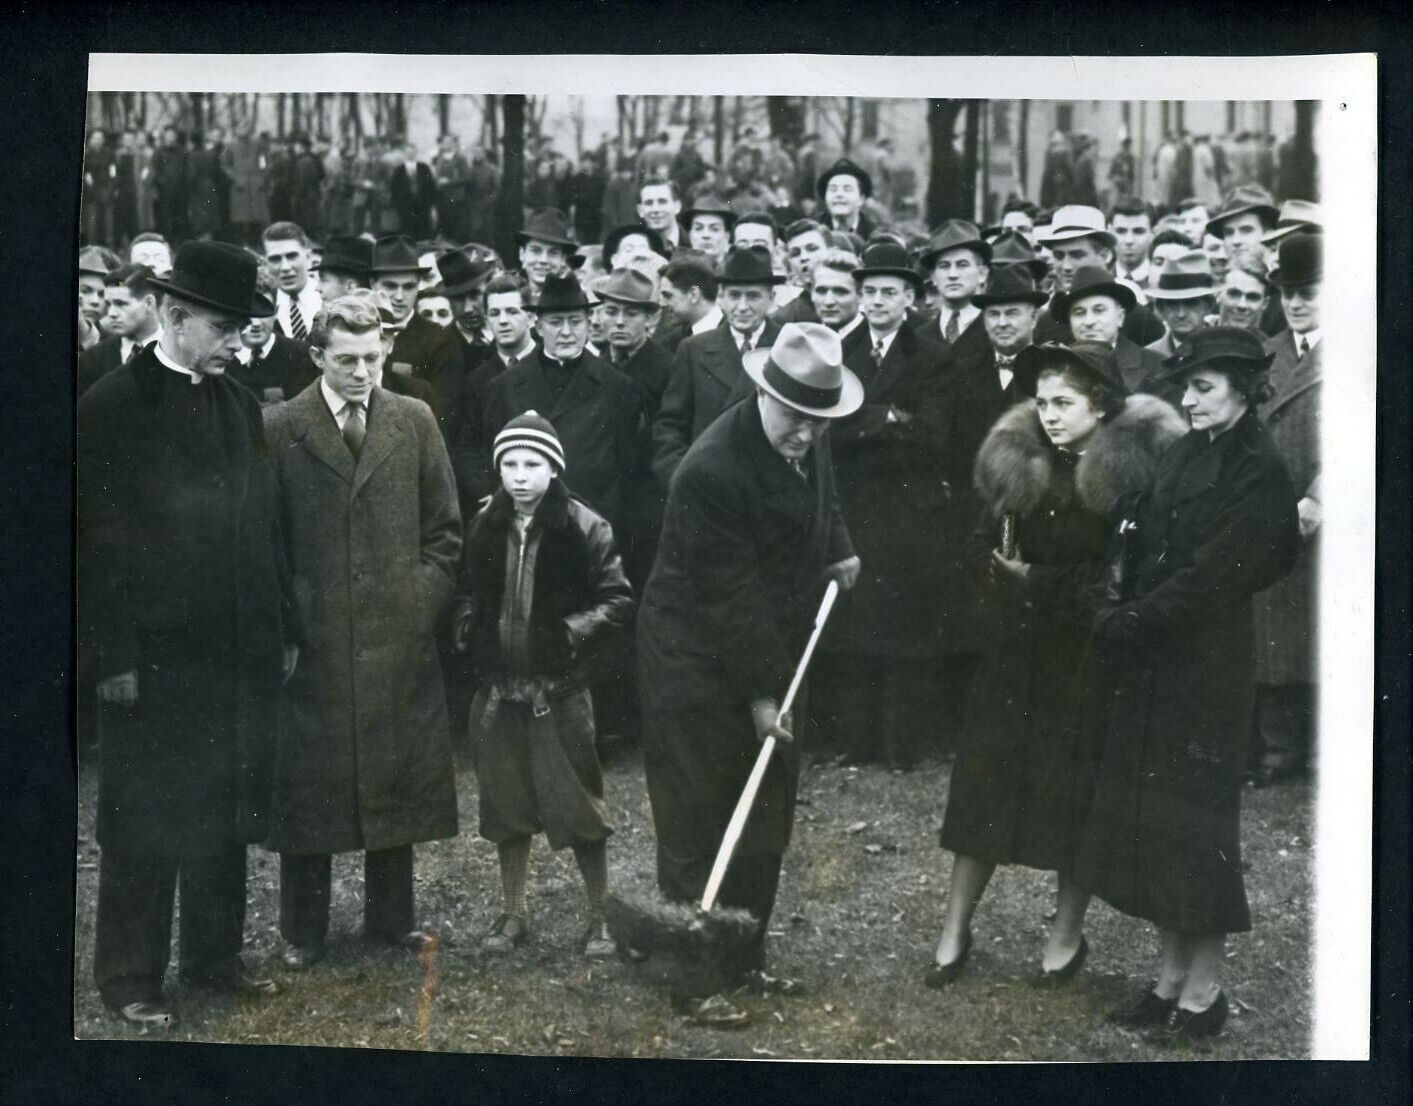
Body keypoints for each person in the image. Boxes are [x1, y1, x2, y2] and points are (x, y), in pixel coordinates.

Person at [930, 341, 1186, 989]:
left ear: (1099, 406)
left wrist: (1036, 582)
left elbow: (1119, 578)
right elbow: (976, 537)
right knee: (985, 785)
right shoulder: (1016, 462)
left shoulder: (1130, 477)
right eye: (1041, 401)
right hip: (1014, 653)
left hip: (1086, 656)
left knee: (1076, 792)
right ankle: (955, 927)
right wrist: (988, 568)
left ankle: (1064, 936)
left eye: (1063, 403)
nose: (1047, 414)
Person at [77, 241, 289, 1027]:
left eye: (243, 326)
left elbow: (263, 529)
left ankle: (212, 957)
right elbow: (91, 543)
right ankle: (130, 977)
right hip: (150, 659)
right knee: (142, 815)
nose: (238, 340)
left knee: (222, 805)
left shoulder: (238, 405)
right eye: (225, 324)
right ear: (171, 315)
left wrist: (279, 629)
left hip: (232, 654)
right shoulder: (112, 405)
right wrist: (111, 656)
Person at [1076, 326, 1299, 1040]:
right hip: (1158, 656)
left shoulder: (1255, 466)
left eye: (1203, 386)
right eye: (1187, 386)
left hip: (1204, 663)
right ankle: (1168, 979)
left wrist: (1138, 616)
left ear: (1243, 387)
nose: (1190, 397)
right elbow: (1140, 535)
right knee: (1161, 821)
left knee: (1198, 829)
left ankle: (1203, 996)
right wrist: (1115, 594)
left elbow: (1218, 573)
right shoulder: (1187, 448)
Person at [637, 322, 862, 1024]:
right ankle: (691, 978)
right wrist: (763, 697)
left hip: (765, 645)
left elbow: (823, 505)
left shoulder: (805, 438)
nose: (804, 432)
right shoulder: (711, 471)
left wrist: (842, 550)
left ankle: (742, 957)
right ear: (765, 393)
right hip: (693, 658)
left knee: (764, 812)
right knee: (699, 817)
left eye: (816, 419)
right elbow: (728, 600)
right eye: (794, 415)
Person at [263, 293, 461, 970]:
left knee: (393, 767)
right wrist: (292, 622)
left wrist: (417, 601)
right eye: (346, 359)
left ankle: (390, 918)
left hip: (395, 632)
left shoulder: (415, 420)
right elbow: (269, 541)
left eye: (372, 357)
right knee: (309, 780)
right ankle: (303, 929)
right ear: (316, 356)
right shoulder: (281, 427)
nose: (361, 373)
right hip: (312, 638)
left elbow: (445, 531)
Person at [452, 413, 634, 958]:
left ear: (554, 468)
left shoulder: (585, 526)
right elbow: (467, 589)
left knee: (578, 805)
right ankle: (513, 913)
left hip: (558, 692)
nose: (520, 477)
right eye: (509, 464)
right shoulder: (485, 523)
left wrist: (568, 633)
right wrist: (468, 625)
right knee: (505, 805)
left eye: (532, 464)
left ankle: (601, 916)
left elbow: (618, 598)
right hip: (500, 690)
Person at [810, 242, 947, 767]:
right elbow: (829, 425)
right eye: (870, 292)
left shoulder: (931, 353)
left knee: (903, 629)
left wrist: (867, 419)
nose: (878, 302)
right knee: (853, 623)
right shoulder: (840, 351)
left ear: (910, 297)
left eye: (890, 292)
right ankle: (856, 741)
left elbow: (934, 433)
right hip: (855, 504)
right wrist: (888, 418)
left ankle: (900, 745)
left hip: (908, 510)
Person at [931, 265, 1047, 757]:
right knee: (972, 614)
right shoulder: (963, 370)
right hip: (970, 508)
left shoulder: (1048, 375)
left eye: (1012, 313)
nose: (1001, 323)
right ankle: (968, 727)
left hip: (1033, 508)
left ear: (1033, 316)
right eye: (993, 314)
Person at [480, 273, 645, 544]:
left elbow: (630, 471)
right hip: (527, 530)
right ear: (538, 325)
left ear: (589, 324)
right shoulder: (505, 386)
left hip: (593, 529)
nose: (566, 332)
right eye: (556, 323)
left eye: (575, 322)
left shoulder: (618, 386)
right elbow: (492, 459)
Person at [1251, 232, 1323, 786]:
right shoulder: (1264, 353)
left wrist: (1320, 495)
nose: (1296, 303)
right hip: (1271, 505)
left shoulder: (1359, 349)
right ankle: (1279, 748)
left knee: (1323, 627)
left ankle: (1324, 746)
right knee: (1273, 628)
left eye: (1309, 292)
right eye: (1289, 293)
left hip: (1329, 513)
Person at [652, 245, 783, 489]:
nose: (742, 307)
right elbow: (670, 426)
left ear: (772, 299)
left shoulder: (787, 346)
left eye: (753, 296)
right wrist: (680, 477)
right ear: (720, 297)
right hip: (709, 488)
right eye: (734, 296)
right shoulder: (694, 349)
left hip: (771, 489)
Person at [370, 235, 466, 443]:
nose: (399, 296)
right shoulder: (356, 334)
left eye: (408, 287)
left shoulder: (440, 340)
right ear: (372, 283)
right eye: (390, 286)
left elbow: (443, 416)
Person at [1036, 205, 1165, 346]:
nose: (1066, 266)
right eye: (1059, 256)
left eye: (1077, 255)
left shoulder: (1138, 319)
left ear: (1105, 256)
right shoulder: (1046, 322)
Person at [1055, 265, 1167, 399]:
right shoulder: (1056, 366)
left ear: (1120, 317)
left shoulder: (1155, 366)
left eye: (1099, 310)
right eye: (1079, 313)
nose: (1089, 321)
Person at [78, 263, 163, 396]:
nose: (111, 313)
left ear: (149, 303)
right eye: (108, 304)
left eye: (121, 304)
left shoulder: (180, 354)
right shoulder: (91, 361)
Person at [915, 219, 991, 363]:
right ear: (933, 277)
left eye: (962, 265)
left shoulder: (995, 331)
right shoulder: (920, 337)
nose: (952, 274)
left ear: (982, 274)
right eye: (944, 266)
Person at [229, 305, 311, 407]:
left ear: (276, 312)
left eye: (263, 313)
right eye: (248, 313)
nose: (255, 323)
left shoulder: (304, 355)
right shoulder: (219, 360)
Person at [1145, 250, 1218, 362]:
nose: (1181, 314)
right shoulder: (1147, 357)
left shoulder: (1226, 353)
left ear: (1209, 306)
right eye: (1172, 304)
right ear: (1161, 308)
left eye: (1191, 303)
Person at [263, 221, 322, 342]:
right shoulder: (265, 307)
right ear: (266, 264)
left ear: (309, 257)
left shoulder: (327, 298)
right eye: (275, 259)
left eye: (291, 256)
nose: (285, 267)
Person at [655, 250, 721, 354]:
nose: (662, 303)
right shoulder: (670, 344)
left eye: (668, 296)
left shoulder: (737, 335)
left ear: (694, 294)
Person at [516, 207, 576, 304]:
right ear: (522, 254)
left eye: (553, 253)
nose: (543, 260)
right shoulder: (507, 299)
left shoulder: (576, 300)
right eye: (535, 251)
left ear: (563, 259)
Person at [808, 249, 865, 339]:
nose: (828, 302)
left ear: (861, 295)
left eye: (840, 292)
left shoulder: (877, 339)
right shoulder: (806, 339)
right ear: (811, 293)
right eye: (821, 291)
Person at [816, 158, 876, 239]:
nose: (839, 194)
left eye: (847, 189)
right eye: (833, 189)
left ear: (861, 199)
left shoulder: (874, 235)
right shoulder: (813, 233)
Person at [389, 141, 437, 240]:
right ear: (404, 154)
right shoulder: (399, 170)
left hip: (423, 205)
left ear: (416, 153)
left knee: (423, 231)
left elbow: (431, 186)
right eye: (408, 152)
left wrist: (429, 203)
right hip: (406, 206)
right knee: (407, 231)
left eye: (412, 152)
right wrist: (399, 203)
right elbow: (393, 188)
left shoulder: (424, 167)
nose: (410, 154)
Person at [1218, 247, 1271, 332]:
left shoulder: (1271, 345)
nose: (1242, 305)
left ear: (1265, 303)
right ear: (1218, 293)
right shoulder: (1196, 342)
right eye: (1234, 294)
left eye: (1252, 297)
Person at [1109, 196, 1154, 285]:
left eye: (1138, 231)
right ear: (1109, 231)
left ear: (1153, 233)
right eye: (1121, 231)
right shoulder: (1099, 282)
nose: (1129, 240)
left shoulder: (1162, 283)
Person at [682, 193, 734, 264]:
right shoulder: (677, 272)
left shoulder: (737, 273)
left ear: (726, 237)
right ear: (690, 236)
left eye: (715, 229)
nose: (706, 235)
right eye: (698, 228)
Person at [637, 179, 684, 253]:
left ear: (677, 206)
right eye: (649, 203)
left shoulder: (695, 242)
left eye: (662, 202)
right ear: (640, 210)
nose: (656, 209)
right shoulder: (634, 249)